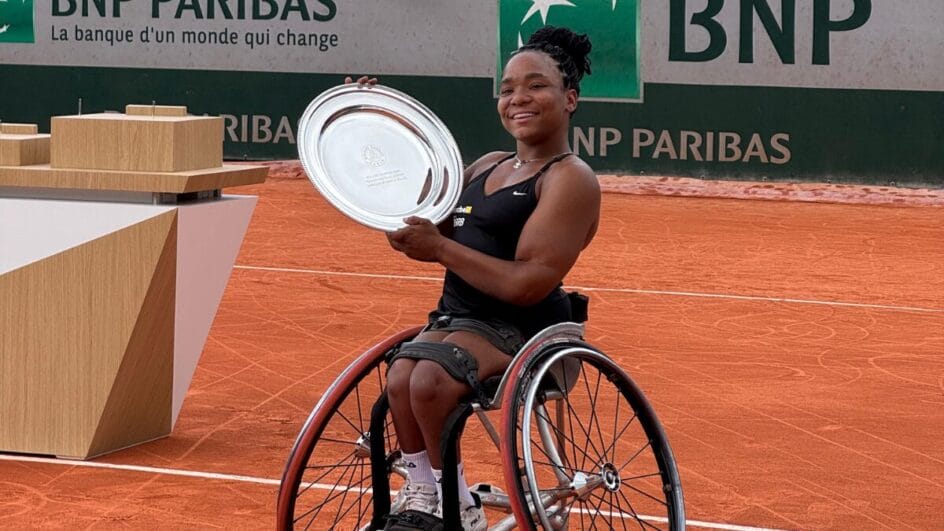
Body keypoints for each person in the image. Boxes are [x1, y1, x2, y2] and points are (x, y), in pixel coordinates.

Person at [355, 26, 600, 531]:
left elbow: (529, 282)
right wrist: (372, 130)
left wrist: (440, 247)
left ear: (569, 98)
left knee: (427, 378)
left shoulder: (570, 178)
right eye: (508, 88)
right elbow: (421, 219)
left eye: (536, 85)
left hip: (525, 327)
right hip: (458, 320)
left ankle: (457, 507)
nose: (518, 98)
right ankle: (425, 491)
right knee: (400, 374)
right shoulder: (487, 165)